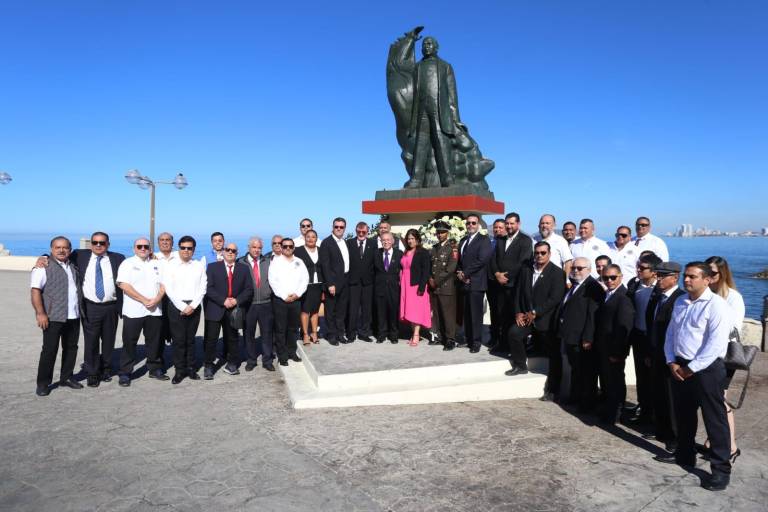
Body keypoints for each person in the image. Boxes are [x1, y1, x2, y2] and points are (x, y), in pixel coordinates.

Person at [658, 262, 732, 492]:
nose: (686, 280)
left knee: (715, 419)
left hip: (706, 370)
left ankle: (721, 470)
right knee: (684, 414)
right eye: (686, 276)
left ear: (707, 280)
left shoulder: (716, 306)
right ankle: (685, 453)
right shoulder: (681, 301)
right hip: (680, 365)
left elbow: (715, 344)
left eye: (692, 277)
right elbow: (671, 333)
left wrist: (692, 368)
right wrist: (671, 360)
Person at [36, 231, 125, 386]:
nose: (98, 245)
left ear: (108, 244)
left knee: (109, 340)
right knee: (91, 341)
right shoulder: (79, 255)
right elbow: (58, 254)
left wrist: (153, 256)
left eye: (102, 243)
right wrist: (43, 256)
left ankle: (105, 369)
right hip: (89, 307)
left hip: (111, 306)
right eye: (95, 242)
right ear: (91, 244)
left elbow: (134, 266)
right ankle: (92, 372)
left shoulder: (118, 258)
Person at [704, 256, 745, 462]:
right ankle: (715, 440)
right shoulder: (706, 294)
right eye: (706, 272)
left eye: (713, 273)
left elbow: (733, 327)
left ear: (722, 274)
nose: (709, 277)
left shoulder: (732, 297)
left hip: (724, 354)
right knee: (712, 399)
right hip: (706, 354)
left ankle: (730, 445)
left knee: (721, 399)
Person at [508, 241, 566, 386]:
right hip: (526, 316)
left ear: (549, 254)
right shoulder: (526, 269)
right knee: (514, 333)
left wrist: (535, 312)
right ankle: (520, 366)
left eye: (543, 253)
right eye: (537, 253)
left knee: (553, 350)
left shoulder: (558, 273)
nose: (539, 255)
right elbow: (518, 293)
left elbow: (555, 298)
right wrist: (518, 312)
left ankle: (555, 384)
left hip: (545, 319)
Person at [30, 236, 83, 396]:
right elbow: (35, 291)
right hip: (52, 316)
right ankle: (43, 383)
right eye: (57, 247)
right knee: (49, 350)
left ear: (70, 249)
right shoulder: (43, 267)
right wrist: (40, 313)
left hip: (74, 315)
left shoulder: (73, 266)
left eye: (65, 247)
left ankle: (66, 377)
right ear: (51, 249)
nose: (61, 250)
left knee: (71, 348)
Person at [406, 36, 459, 188]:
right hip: (421, 110)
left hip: (439, 110)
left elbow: (452, 94)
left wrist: (455, 118)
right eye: (424, 44)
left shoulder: (445, 66)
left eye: (429, 44)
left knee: (442, 144)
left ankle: (448, 179)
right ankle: (416, 179)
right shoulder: (418, 67)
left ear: (436, 47)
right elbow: (414, 93)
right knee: (420, 145)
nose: (426, 46)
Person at [644, 262, 685, 452]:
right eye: (657, 274)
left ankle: (675, 440)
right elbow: (651, 326)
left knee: (672, 400)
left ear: (674, 277)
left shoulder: (680, 299)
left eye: (662, 275)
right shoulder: (657, 297)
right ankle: (661, 429)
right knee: (657, 395)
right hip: (655, 354)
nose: (658, 278)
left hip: (671, 358)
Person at [115, 238, 166, 386]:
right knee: (129, 342)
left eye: (146, 246)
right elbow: (124, 285)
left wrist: (157, 299)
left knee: (154, 341)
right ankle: (125, 372)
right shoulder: (127, 263)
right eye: (139, 246)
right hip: (133, 311)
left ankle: (154, 368)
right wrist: (144, 300)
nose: (143, 248)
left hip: (155, 310)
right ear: (134, 248)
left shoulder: (158, 264)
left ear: (150, 249)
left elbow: (164, 284)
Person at [557, 257, 605, 411]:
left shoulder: (592, 287)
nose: (576, 270)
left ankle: (586, 403)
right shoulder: (576, 285)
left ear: (588, 270)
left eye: (580, 268)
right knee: (576, 370)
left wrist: (587, 338)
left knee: (585, 372)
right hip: (570, 335)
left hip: (581, 338)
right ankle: (576, 397)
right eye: (574, 268)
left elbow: (592, 315)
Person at [203, 243, 253, 379]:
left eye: (233, 250)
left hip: (234, 309)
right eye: (227, 250)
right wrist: (223, 300)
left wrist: (237, 301)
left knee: (232, 338)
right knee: (211, 339)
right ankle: (208, 366)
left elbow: (249, 289)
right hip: (215, 308)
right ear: (223, 252)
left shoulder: (244, 269)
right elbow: (208, 288)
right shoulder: (213, 267)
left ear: (237, 253)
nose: (230, 252)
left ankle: (232, 364)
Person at [161, 236, 206, 384]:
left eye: (189, 248)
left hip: (194, 306)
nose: (186, 251)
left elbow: (202, 288)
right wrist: (182, 306)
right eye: (183, 248)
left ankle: (191, 369)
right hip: (176, 306)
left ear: (193, 250)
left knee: (191, 340)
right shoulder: (170, 266)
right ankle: (180, 371)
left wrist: (192, 306)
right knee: (179, 341)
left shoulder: (199, 265)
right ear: (179, 248)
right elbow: (168, 289)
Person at [594, 264, 635, 424]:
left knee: (616, 383)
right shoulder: (608, 294)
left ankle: (616, 414)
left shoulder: (623, 297)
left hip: (614, 350)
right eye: (606, 278)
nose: (609, 281)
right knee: (608, 382)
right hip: (604, 347)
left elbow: (624, 327)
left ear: (621, 277)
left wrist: (618, 353)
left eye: (613, 277)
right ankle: (609, 410)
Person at [490, 212, 533, 354]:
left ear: (518, 224)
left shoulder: (525, 240)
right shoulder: (501, 239)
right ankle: (503, 345)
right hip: (500, 286)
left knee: (515, 317)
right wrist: (497, 274)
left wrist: (506, 277)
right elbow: (493, 260)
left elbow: (522, 262)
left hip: (515, 286)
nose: (509, 226)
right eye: (507, 223)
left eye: (512, 223)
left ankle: (515, 348)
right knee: (502, 316)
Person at [626, 252, 662, 424]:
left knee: (653, 379)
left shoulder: (658, 290)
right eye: (638, 266)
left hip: (651, 338)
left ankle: (654, 414)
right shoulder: (634, 285)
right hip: (638, 336)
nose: (638, 270)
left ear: (654, 272)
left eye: (642, 268)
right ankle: (643, 409)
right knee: (641, 377)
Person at [268, 238, 309, 366]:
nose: (287, 248)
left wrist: (297, 294)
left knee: (293, 329)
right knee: (280, 329)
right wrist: (284, 296)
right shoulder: (275, 262)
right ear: (281, 247)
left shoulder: (299, 262)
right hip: (281, 301)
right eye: (285, 246)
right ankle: (282, 355)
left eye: (290, 246)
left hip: (296, 300)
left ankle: (292, 352)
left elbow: (305, 279)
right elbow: (273, 281)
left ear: (293, 247)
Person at [238, 236, 275, 372]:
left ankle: (267, 360)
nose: (257, 250)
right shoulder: (241, 262)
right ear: (248, 248)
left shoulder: (267, 261)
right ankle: (251, 360)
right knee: (249, 334)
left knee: (267, 333)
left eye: (259, 247)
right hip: (249, 304)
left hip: (266, 303)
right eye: (254, 247)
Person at [457, 214, 493, 353]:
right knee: (467, 313)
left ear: (478, 225)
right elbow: (460, 261)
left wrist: (466, 273)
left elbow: (482, 260)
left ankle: (476, 342)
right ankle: (468, 339)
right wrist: (460, 273)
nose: (470, 225)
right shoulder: (463, 240)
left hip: (476, 283)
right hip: (464, 283)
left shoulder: (484, 240)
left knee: (476, 314)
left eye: (473, 223)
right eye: (468, 223)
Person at [320, 217, 351, 345]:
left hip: (345, 281)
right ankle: (331, 335)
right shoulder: (327, 243)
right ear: (332, 227)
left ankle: (340, 334)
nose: (338, 229)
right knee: (331, 311)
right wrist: (330, 284)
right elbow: (325, 266)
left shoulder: (345, 242)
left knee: (341, 310)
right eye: (336, 226)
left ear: (344, 228)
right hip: (333, 283)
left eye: (341, 227)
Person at [429, 221, 458, 350]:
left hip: (446, 286)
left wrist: (436, 280)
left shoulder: (453, 248)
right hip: (435, 287)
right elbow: (431, 267)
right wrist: (430, 279)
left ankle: (450, 339)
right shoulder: (434, 248)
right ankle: (440, 337)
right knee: (437, 313)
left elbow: (451, 268)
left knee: (448, 315)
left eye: (442, 232)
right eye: (438, 232)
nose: (440, 234)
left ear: (447, 232)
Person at [399, 229, 432, 346]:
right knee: (409, 310)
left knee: (416, 311)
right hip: (405, 285)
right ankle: (413, 333)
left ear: (417, 240)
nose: (410, 241)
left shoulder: (423, 252)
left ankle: (416, 335)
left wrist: (422, 287)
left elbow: (426, 271)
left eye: (412, 238)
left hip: (416, 285)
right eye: (408, 238)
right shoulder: (406, 252)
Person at [346, 222, 376, 342]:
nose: (361, 234)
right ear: (356, 231)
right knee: (352, 310)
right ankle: (351, 334)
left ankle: (364, 333)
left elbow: (375, 262)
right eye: (359, 231)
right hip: (353, 282)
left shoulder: (373, 244)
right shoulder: (349, 243)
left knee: (366, 310)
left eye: (364, 232)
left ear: (367, 231)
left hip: (368, 283)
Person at [294, 230, 324, 345]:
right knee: (305, 311)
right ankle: (306, 334)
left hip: (318, 285)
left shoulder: (321, 251)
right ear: (304, 238)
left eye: (313, 237)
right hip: (305, 286)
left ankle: (314, 333)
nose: (310, 239)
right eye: (308, 237)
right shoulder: (298, 251)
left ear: (316, 239)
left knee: (315, 311)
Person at [374, 233, 403, 343]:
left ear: (392, 241)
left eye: (388, 240)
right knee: (381, 312)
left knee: (393, 312)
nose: (385, 242)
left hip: (394, 288)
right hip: (380, 287)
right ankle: (381, 334)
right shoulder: (376, 253)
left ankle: (394, 335)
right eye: (383, 240)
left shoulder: (399, 254)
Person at [155, 232, 178, 352]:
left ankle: (179, 361)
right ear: (158, 242)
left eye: (168, 240)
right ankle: (158, 362)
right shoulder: (152, 257)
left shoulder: (179, 256)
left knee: (177, 331)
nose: (165, 242)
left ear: (172, 242)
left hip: (176, 298)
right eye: (162, 240)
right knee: (159, 330)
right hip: (159, 298)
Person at [486, 219, 506, 349]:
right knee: (493, 311)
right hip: (489, 282)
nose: (497, 230)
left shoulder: (506, 242)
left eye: (500, 227)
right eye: (495, 227)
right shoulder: (491, 242)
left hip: (501, 282)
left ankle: (501, 339)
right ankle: (494, 337)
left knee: (501, 312)